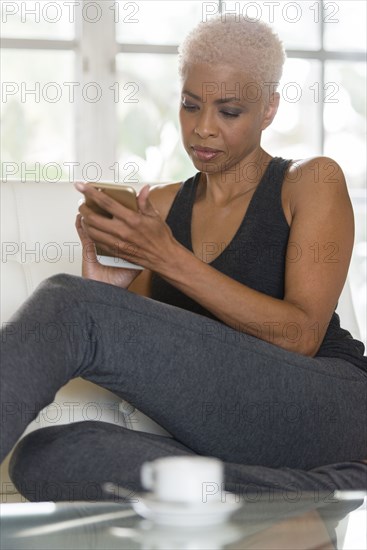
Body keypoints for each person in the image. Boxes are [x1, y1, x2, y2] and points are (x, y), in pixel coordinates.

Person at [1, 16, 366, 501]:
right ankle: (320, 489)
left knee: (68, 302)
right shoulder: (167, 206)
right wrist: (115, 293)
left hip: (329, 405)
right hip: (230, 427)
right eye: (190, 106)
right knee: (45, 457)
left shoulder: (310, 181)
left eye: (229, 111)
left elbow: (300, 336)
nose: (204, 128)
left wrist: (164, 259)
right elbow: (181, 351)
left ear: (269, 108)